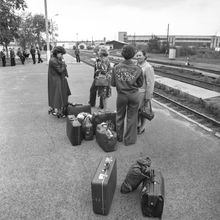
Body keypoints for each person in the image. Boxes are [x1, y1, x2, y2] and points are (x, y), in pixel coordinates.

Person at [111, 45, 143, 146]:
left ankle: (119, 137)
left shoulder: (116, 67)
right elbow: (140, 84)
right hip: (134, 95)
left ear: (122, 54)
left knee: (119, 116)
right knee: (132, 117)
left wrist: (122, 83)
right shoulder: (138, 68)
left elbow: (113, 83)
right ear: (133, 55)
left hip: (121, 96)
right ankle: (129, 140)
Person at [48, 46, 71, 118]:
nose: (62, 56)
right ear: (57, 53)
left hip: (59, 78)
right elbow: (60, 70)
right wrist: (64, 64)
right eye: (61, 54)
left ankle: (58, 109)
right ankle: (57, 110)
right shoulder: (53, 60)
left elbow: (61, 68)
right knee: (58, 95)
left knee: (62, 94)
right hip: (55, 79)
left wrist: (66, 73)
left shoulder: (57, 58)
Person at [136, 50, 155, 134]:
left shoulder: (148, 67)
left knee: (143, 111)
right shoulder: (135, 65)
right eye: (137, 55)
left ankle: (142, 127)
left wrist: (148, 96)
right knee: (136, 111)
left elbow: (150, 83)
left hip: (143, 94)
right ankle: (137, 124)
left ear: (144, 56)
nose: (138, 57)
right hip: (135, 93)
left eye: (140, 55)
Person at [95, 47, 112, 111]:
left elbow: (103, 69)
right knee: (105, 94)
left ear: (101, 53)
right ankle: (105, 108)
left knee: (104, 94)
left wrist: (97, 71)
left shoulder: (102, 60)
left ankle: (105, 109)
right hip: (107, 78)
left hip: (103, 79)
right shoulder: (107, 59)